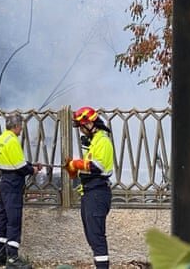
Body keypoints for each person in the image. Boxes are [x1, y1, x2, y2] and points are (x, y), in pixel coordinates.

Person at [65, 106, 114, 269]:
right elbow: (85, 171)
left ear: (90, 123)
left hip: (97, 193)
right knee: (92, 236)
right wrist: (73, 171)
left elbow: (97, 167)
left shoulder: (103, 141)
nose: (81, 130)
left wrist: (76, 163)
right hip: (89, 193)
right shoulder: (94, 143)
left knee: (97, 236)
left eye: (81, 126)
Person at [0, 113, 41, 268]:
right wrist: (32, 170)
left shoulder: (2, 138)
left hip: (4, 181)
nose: (21, 128)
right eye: (20, 125)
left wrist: (29, 164)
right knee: (14, 221)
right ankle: (13, 259)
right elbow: (20, 166)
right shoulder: (13, 141)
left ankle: (0, 256)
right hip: (13, 184)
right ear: (16, 126)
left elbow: (13, 160)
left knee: (3, 219)